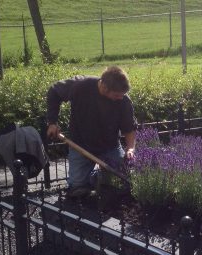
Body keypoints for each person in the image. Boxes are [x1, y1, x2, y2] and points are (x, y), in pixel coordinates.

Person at [46, 66, 137, 198]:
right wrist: (52, 122)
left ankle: (99, 177)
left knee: (123, 182)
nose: (120, 98)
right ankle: (93, 178)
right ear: (105, 88)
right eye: (117, 95)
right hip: (80, 145)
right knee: (77, 189)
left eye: (122, 95)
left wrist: (130, 149)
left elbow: (129, 128)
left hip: (110, 146)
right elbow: (54, 92)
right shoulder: (81, 86)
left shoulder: (123, 100)